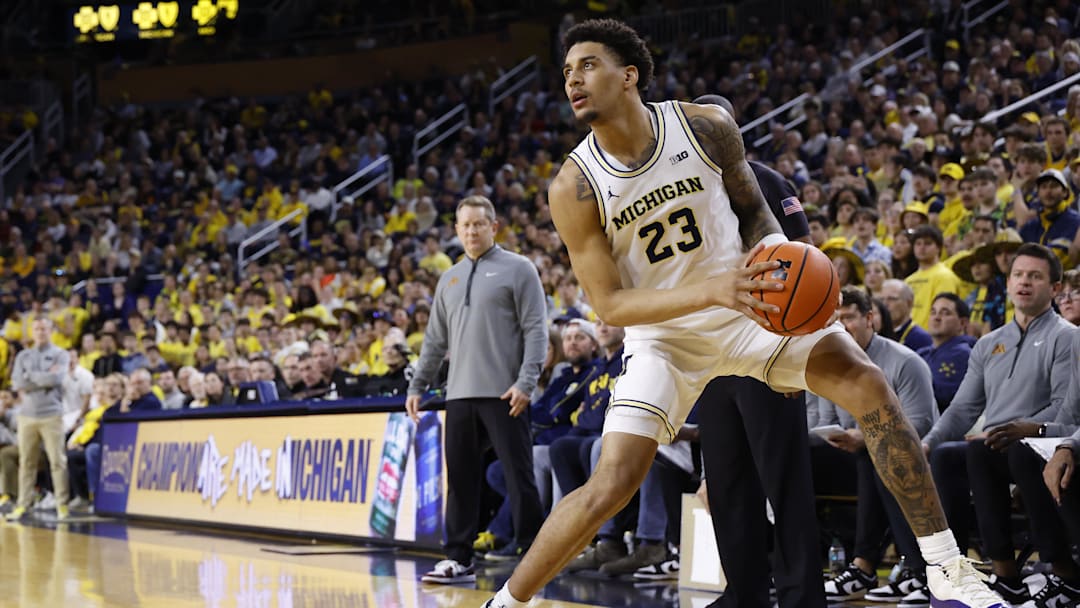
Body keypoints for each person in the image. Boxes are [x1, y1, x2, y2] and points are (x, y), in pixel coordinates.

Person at [483, 18, 1006, 608]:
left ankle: (946, 567)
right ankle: (508, 602)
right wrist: (713, 290)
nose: (573, 80)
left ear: (629, 75)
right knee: (611, 483)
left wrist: (778, 275)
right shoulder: (574, 186)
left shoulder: (705, 127)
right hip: (665, 339)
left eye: (588, 65)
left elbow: (758, 214)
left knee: (868, 383)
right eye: (567, 72)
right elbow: (610, 305)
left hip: (751, 309)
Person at [691, 93, 826, 608]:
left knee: (784, 481)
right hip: (713, 357)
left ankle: (801, 596)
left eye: (712, 128)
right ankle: (744, 592)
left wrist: (796, 353)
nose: (703, 137)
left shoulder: (766, 181)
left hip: (767, 352)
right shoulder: (683, 195)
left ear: (733, 131)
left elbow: (805, 265)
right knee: (727, 484)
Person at [921, 244, 1074, 604]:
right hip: (997, 445)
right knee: (947, 456)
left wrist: (1024, 428)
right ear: (1007, 283)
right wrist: (926, 443)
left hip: (1043, 441)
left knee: (991, 451)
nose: (1025, 282)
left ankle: (1055, 572)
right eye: (1019, 275)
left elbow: (1067, 411)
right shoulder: (989, 343)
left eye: (1035, 276)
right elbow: (962, 408)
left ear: (1053, 288)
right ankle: (955, 568)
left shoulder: (1067, 337)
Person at [407, 194, 548, 585]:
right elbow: (434, 340)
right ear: (456, 230)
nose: (471, 231)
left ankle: (534, 555)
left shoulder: (519, 269)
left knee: (520, 478)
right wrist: (419, 384)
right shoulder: (448, 279)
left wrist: (526, 382)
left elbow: (537, 329)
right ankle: (458, 558)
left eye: (478, 224)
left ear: (494, 226)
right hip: (460, 394)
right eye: (465, 225)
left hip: (506, 393)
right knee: (462, 480)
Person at [814, 287, 937, 606]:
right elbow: (827, 421)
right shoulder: (832, 363)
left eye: (849, 318)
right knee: (796, 459)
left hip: (917, 454)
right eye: (834, 320)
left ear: (870, 319)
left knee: (877, 453)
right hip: (855, 455)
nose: (841, 327)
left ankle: (892, 568)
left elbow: (922, 422)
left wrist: (865, 436)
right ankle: (791, 565)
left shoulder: (906, 362)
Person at [6, 318, 71, 522]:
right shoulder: (23, 355)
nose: (40, 332)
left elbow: (56, 379)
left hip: (52, 414)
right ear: (32, 332)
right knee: (26, 462)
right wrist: (42, 377)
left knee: (57, 461)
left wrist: (30, 377)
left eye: (44, 328)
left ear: (51, 330)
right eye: (36, 329)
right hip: (26, 415)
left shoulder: (60, 354)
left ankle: (62, 504)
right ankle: (23, 504)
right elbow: (17, 382)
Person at [917, 294, 972, 414]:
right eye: (933, 312)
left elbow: (943, 397)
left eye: (945, 313)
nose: (936, 317)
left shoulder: (963, 354)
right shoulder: (922, 353)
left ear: (963, 323)